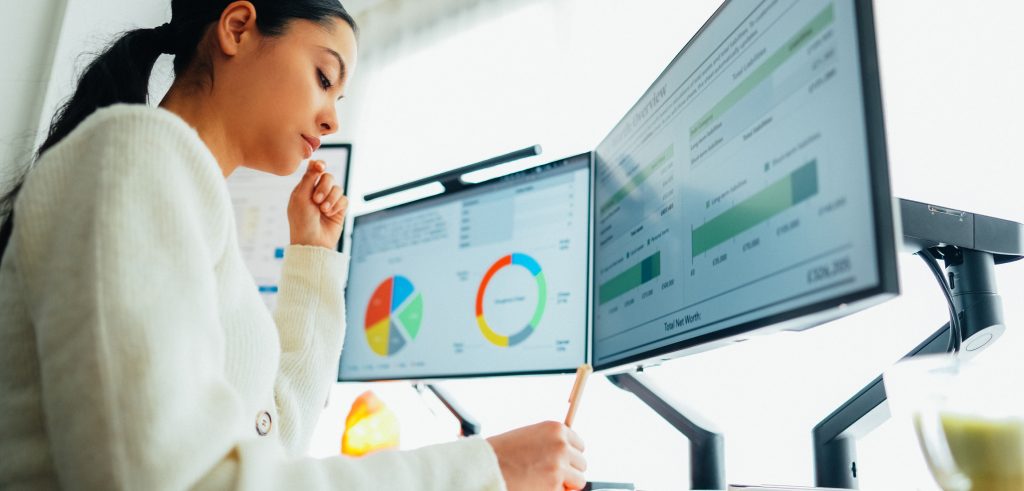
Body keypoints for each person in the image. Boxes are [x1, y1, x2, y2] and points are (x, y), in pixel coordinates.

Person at [0, 1, 587, 489]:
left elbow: (269, 440)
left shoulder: (189, 205)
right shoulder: (136, 152)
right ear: (236, 28)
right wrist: (486, 470)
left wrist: (312, 257)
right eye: (325, 78)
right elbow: (169, 479)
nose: (331, 119)